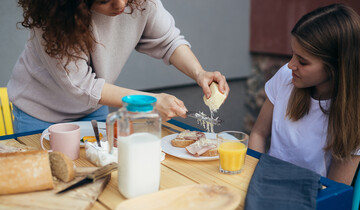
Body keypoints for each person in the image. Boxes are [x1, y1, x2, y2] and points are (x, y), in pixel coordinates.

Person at [8, 0, 229, 133]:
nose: (120, 5)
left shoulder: (140, 1)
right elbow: (81, 86)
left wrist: (199, 73)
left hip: (93, 109)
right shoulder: (53, 19)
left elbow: (168, 40)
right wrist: (149, 103)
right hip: (39, 115)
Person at [248, 3, 360, 185]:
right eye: (293, 54)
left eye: (303, 61)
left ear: (336, 67)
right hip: (264, 187)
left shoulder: (353, 115)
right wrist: (252, 180)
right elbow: (258, 134)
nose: (291, 65)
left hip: (310, 203)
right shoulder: (285, 77)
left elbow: (333, 190)